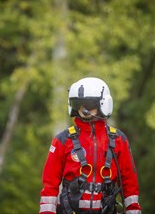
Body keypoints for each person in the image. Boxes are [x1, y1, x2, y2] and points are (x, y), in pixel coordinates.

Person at [39, 77, 141, 214]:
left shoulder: (118, 140)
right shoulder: (62, 140)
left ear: (103, 104)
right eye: (79, 104)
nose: (83, 109)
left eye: (88, 104)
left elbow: (129, 183)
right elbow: (49, 184)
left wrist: (133, 211)